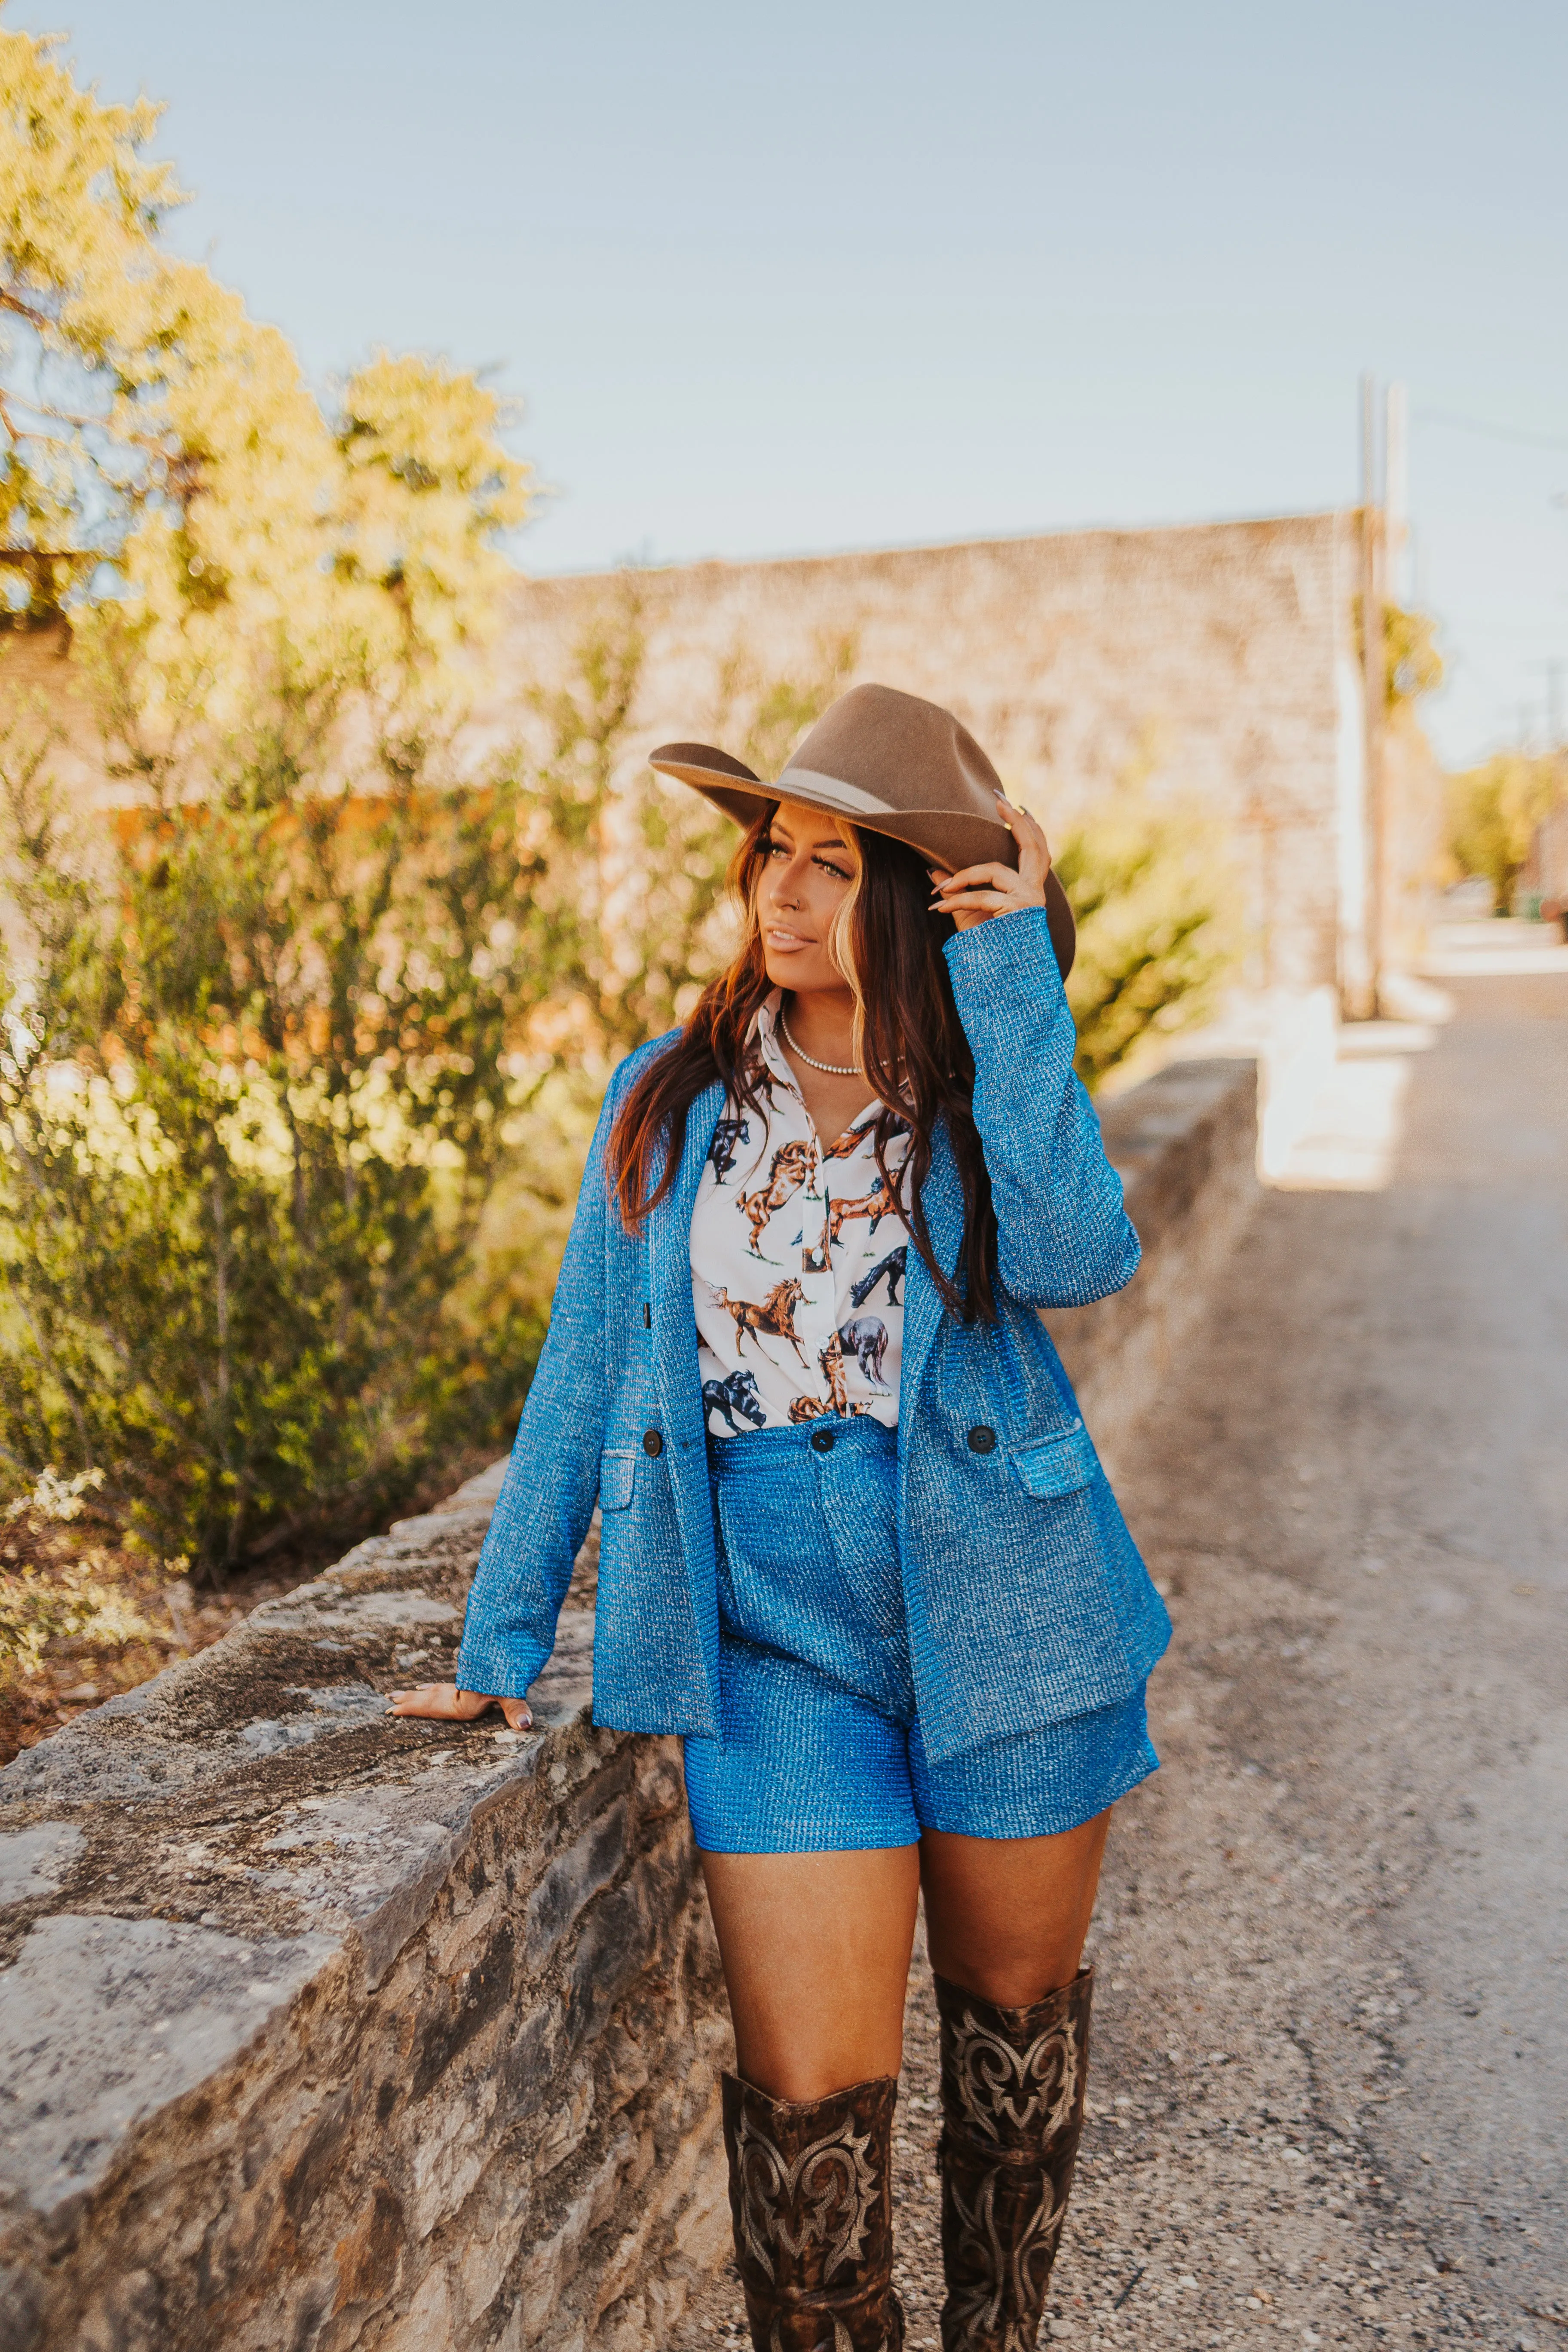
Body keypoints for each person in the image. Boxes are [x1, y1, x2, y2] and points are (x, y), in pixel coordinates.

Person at [392, 685, 1171, 2352]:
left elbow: (1078, 1259)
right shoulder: (669, 1097)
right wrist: (501, 1638)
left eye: (833, 863)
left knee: (1014, 2064)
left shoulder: (979, 1087)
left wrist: (1013, 974)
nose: (785, 894)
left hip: (1015, 1615)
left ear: (908, 893)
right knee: (810, 2113)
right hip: (769, 1644)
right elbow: (581, 1384)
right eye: (773, 854)